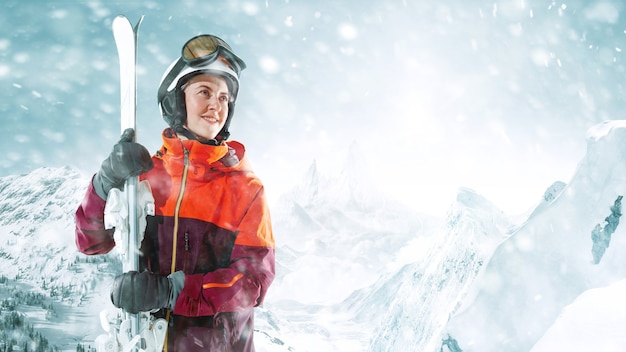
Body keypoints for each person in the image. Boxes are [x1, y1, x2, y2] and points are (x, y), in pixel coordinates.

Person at [75, 34, 275, 351]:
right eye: (205, 92)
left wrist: (172, 292)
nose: (216, 105)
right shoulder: (146, 175)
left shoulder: (245, 188)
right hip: (146, 341)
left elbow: (254, 282)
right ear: (176, 101)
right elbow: (91, 242)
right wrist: (104, 183)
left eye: (224, 98)